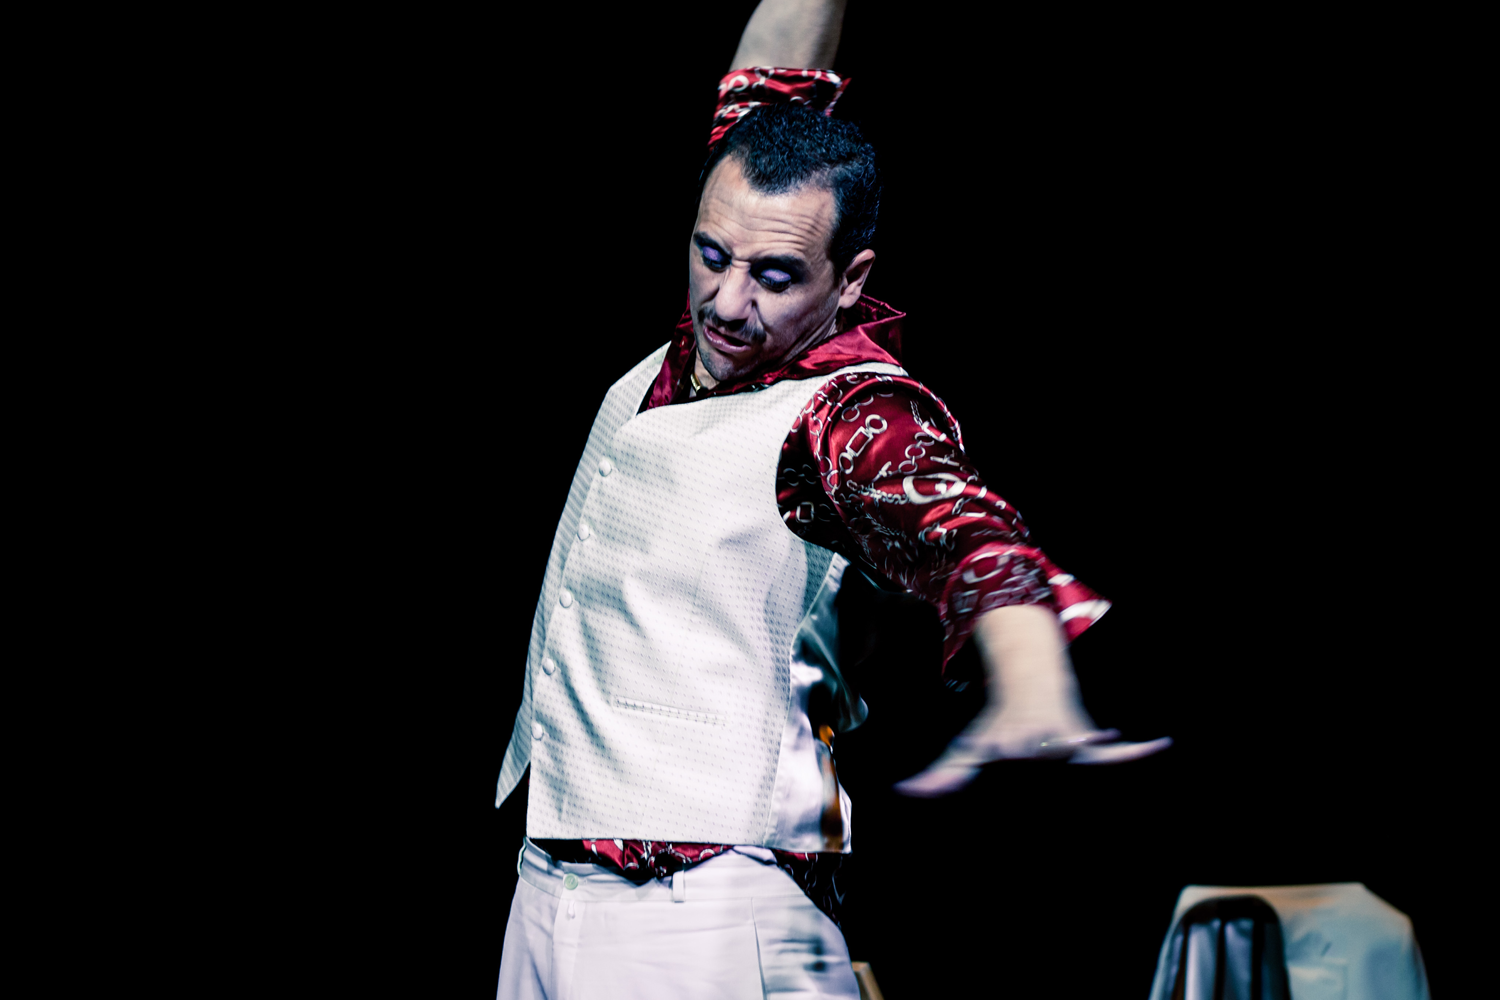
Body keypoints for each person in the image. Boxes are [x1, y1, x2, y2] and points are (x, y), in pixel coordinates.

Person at [494, 3, 1168, 997]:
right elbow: (771, 68)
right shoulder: (742, 240)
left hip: (702, 913)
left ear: (850, 280)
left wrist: (1031, 682)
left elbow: (969, 535)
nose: (728, 302)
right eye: (709, 255)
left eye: (774, 276)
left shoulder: (848, 413)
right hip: (551, 885)